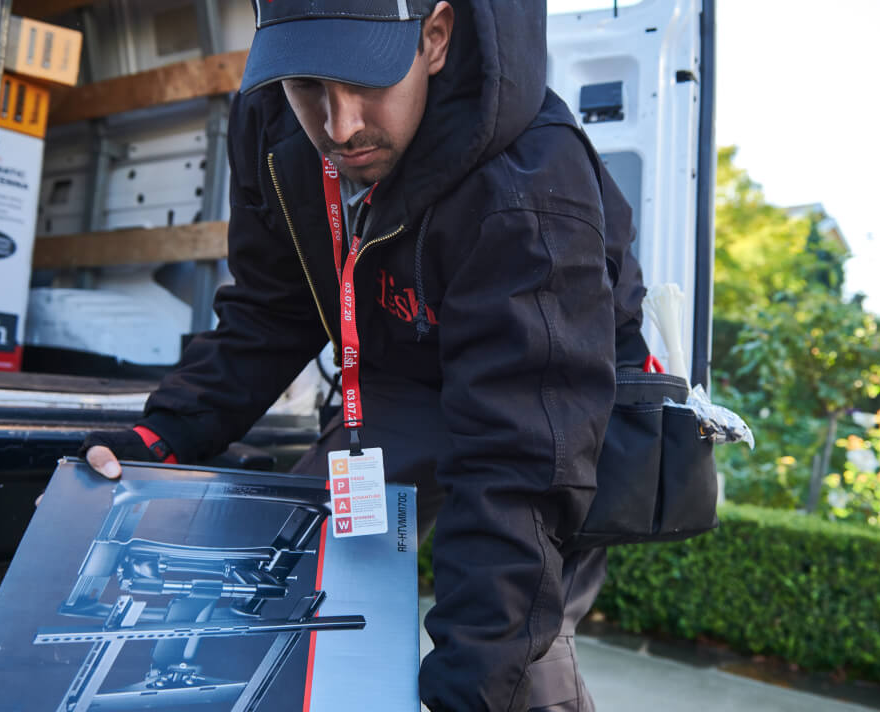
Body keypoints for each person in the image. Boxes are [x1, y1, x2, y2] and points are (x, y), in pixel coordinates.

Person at [81, 1, 648, 709]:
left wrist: (465, 689)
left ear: (434, 37)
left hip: (554, 397)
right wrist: (163, 432)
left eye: (368, 82)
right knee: (306, 574)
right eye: (311, 87)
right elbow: (271, 302)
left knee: (511, 648)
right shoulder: (271, 119)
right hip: (401, 369)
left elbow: (519, 465)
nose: (339, 126)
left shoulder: (530, 189)